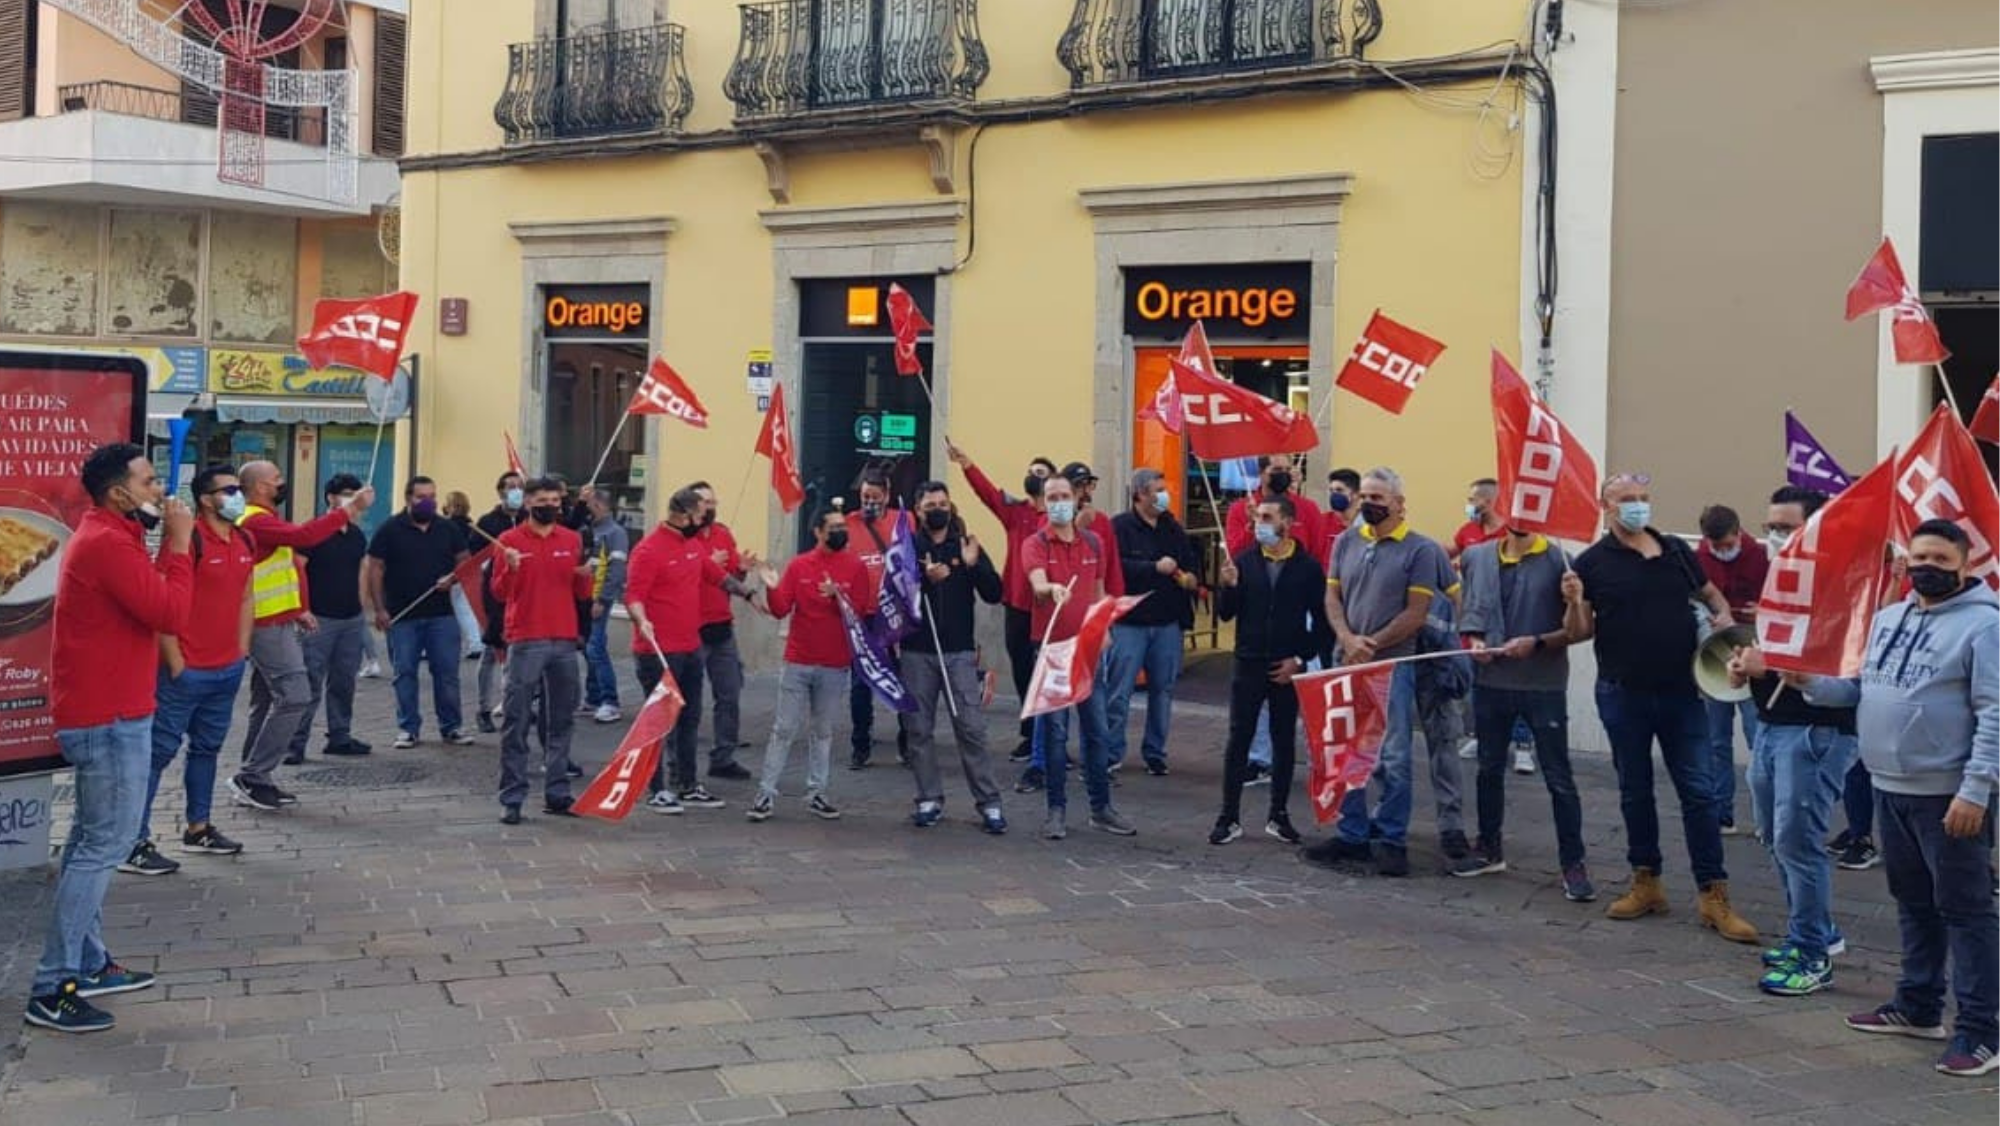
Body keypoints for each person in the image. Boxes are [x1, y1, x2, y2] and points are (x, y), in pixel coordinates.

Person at [1799, 519, 1997, 1075]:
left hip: (1949, 795)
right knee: (1913, 902)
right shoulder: (1888, 619)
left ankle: (1983, 1030)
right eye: (1918, 557)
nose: (1926, 566)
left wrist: (1976, 790)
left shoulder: (1985, 627)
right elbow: (1858, 689)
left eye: (1939, 557)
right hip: (1889, 785)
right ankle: (1918, 1004)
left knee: (1967, 911)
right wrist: (1806, 683)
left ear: (1965, 566)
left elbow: (1995, 713)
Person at [25, 444, 192, 1033]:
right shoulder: (105, 543)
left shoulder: (110, 535)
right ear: (118, 492)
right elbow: (170, 610)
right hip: (108, 716)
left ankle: (88, 963)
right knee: (103, 847)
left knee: (89, 843)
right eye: (148, 481)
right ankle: (53, 984)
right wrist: (178, 544)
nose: (159, 492)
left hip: (114, 709)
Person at [1563, 472, 1757, 943]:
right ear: (1606, 507)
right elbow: (1578, 632)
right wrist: (1573, 602)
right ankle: (1646, 881)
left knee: (1700, 792)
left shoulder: (1674, 549)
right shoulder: (1591, 563)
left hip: (1681, 692)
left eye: (1643, 499)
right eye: (1626, 500)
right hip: (1622, 692)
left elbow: (1709, 593)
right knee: (1635, 789)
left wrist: (1724, 619)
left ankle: (1713, 893)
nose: (1637, 507)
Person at [1715, 487, 1855, 997]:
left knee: (1799, 843)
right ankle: (1814, 929)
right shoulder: (1784, 583)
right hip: (1772, 725)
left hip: (1815, 733)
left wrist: (1769, 666)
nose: (1774, 535)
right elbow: (1768, 650)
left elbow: (1842, 676)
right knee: (1776, 838)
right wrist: (1744, 670)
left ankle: (1813, 954)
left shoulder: (1840, 589)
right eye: (1770, 525)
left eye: (1786, 526)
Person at [1304, 467, 1458, 878]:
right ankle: (1352, 834)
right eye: (1365, 496)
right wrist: (1347, 638)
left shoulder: (1421, 550)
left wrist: (1370, 643)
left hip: (1392, 666)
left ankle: (1392, 838)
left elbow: (1416, 612)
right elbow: (1332, 596)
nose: (1369, 503)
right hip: (1346, 661)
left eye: (1378, 497)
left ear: (1399, 504)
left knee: (1393, 758)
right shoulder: (1347, 542)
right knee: (1347, 751)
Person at [120, 465, 255, 877]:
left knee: (208, 749)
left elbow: (247, 596)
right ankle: (133, 841)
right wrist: (175, 661)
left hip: (226, 668)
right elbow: (162, 601)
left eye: (239, 489)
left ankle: (199, 828)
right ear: (205, 499)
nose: (237, 496)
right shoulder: (189, 539)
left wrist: (241, 651)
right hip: (185, 670)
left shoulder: (245, 537)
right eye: (228, 490)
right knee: (158, 753)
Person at [1451, 523, 1594, 902]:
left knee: (1559, 777)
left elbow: (1580, 632)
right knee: (1487, 768)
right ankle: (1488, 847)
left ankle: (1573, 863)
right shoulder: (1478, 556)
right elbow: (1469, 609)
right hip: (1491, 680)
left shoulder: (1561, 562)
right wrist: (1475, 640)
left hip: (1542, 684)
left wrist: (1548, 631)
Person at [230, 460, 373, 812]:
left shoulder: (265, 518)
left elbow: (288, 567)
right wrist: (351, 509)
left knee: (266, 703)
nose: (283, 483)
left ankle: (255, 776)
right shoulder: (255, 519)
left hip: (276, 620)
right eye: (277, 478)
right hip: (264, 624)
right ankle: (253, 774)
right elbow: (304, 538)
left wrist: (299, 608)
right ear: (261, 486)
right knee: (296, 695)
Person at [1209, 495, 1329, 847]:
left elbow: (1323, 623)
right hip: (1248, 661)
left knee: (1282, 740)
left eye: (1266, 517)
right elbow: (1227, 615)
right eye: (1257, 517)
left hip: (1285, 664)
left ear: (1287, 523)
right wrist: (1227, 586)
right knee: (1239, 739)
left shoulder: (1307, 568)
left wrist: (1300, 659)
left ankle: (1279, 814)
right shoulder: (1244, 562)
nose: (1257, 523)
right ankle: (1228, 816)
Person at [1023, 473, 1134, 840]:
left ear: (1076, 500)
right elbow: (1037, 583)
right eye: (1051, 496)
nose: (1058, 502)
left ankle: (1101, 808)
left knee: (1097, 731)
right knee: (1055, 734)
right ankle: (1056, 811)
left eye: (1064, 495)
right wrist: (1050, 588)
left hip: (1087, 649)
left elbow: (1100, 593)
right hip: (1053, 650)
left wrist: (1103, 630)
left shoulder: (1093, 542)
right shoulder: (1035, 543)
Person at [750, 507, 874, 822]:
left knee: (822, 730)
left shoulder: (856, 567)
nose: (840, 531)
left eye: (842, 526)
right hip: (799, 661)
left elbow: (861, 611)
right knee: (784, 728)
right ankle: (765, 794)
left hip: (835, 663)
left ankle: (817, 792)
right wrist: (770, 583)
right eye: (833, 527)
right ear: (818, 532)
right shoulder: (800, 565)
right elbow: (780, 610)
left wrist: (838, 597)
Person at [626, 487, 743, 816]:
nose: (705, 518)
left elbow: (716, 575)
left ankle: (687, 784)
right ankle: (656, 788)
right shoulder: (649, 550)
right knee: (659, 722)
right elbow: (633, 594)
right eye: (701, 513)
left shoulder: (691, 544)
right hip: (659, 651)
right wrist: (641, 619)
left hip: (691, 646)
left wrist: (749, 594)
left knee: (689, 718)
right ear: (684, 514)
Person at [902, 481, 1007, 833]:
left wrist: (974, 565)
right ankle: (928, 798)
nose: (938, 509)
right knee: (918, 730)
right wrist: (926, 581)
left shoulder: (965, 544)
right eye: (931, 504)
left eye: (943, 503)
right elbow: (896, 597)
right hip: (917, 653)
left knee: (971, 729)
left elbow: (994, 594)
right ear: (918, 511)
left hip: (959, 653)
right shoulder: (906, 548)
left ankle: (989, 803)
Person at [489, 477, 595, 824]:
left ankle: (558, 792)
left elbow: (580, 593)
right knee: (516, 721)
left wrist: (585, 575)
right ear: (529, 504)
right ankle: (513, 796)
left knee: (562, 720)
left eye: (556, 499)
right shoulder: (509, 541)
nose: (553, 505)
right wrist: (512, 568)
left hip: (564, 638)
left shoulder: (572, 538)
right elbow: (500, 592)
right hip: (525, 639)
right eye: (544, 500)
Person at [947, 440, 1051, 764]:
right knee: (1022, 670)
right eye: (1031, 470)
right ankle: (1029, 731)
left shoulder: (1060, 517)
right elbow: (988, 494)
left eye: (1041, 472)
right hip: (1017, 605)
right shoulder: (1016, 512)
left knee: (1044, 674)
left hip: (1047, 608)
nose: (1033, 475)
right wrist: (967, 464)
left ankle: (1046, 736)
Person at [365, 476, 473, 749]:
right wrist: (379, 608)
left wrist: (453, 578)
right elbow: (374, 568)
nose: (428, 502)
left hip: (442, 615)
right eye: (421, 497)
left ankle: (452, 727)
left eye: (432, 496)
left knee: (447, 673)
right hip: (402, 616)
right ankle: (408, 728)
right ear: (407, 498)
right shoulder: (390, 529)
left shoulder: (447, 528)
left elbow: (465, 562)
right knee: (405, 673)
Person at [1105, 468, 1199, 776]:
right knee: (1119, 690)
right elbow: (1114, 567)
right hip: (1129, 622)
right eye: (1158, 489)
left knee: (1164, 690)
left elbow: (1190, 565)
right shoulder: (1119, 527)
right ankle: (1111, 750)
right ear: (1140, 494)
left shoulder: (1173, 529)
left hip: (1167, 623)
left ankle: (1155, 751)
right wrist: (1152, 568)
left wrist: (1190, 579)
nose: (1164, 495)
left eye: (1164, 488)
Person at [1695, 503, 1770, 834]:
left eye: (1727, 545)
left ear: (1739, 534)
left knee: (1759, 739)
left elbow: (1781, 600)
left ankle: (1763, 815)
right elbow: (1694, 599)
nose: (1723, 552)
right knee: (1716, 741)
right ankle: (1721, 812)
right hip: (1716, 656)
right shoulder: (1698, 558)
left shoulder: (1762, 555)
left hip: (1754, 653)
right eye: (1716, 547)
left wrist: (1762, 612)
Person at [288, 474, 373, 764]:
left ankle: (339, 736)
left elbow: (362, 571)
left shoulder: (357, 535)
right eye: (347, 493)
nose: (353, 499)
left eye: (356, 493)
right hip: (318, 619)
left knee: (344, 682)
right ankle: (294, 744)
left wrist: (362, 609)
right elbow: (297, 569)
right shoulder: (314, 532)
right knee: (310, 682)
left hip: (351, 619)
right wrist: (302, 608)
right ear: (331, 498)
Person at [845, 468, 915, 770]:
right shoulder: (848, 523)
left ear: (887, 495)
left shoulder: (905, 520)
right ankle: (861, 744)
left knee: (903, 680)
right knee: (861, 683)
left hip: (896, 615)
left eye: (875, 497)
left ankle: (907, 743)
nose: (869, 503)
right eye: (865, 498)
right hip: (863, 617)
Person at [692, 482, 754, 781]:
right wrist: (704, 565)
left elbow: (730, 576)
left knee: (729, 693)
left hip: (721, 626)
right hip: (691, 628)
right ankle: (680, 759)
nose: (710, 507)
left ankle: (723, 756)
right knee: (688, 699)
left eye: (713, 501)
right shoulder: (682, 538)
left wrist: (741, 569)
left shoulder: (723, 534)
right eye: (704, 502)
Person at [474, 471, 526, 732]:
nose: (516, 491)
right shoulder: (488, 522)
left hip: (523, 597)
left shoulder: (529, 519)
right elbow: (472, 559)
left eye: (520, 486)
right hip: (494, 596)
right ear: (501, 492)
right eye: (511, 487)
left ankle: (512, 704)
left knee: (518, 653)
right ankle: (483, 707)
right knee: (490, 652)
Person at [579, 485, 629, 724]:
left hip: (600, 597)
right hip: (586, 596)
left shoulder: (614, 533)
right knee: (590, 648)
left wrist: (603, 599)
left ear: (598, 505)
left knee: (595, 648)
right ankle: (593, 697)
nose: (587, 509)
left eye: (589, 505)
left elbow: (618, 571)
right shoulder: (590, 531)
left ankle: (610, 702)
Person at [444, 489, 484, 661]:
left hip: (454, 570)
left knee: (459, 607)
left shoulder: (448, 526)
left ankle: (473, 643)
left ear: (451, 506)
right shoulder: (472, 524)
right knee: (466, 607)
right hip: (471, 568)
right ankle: (475, 643)